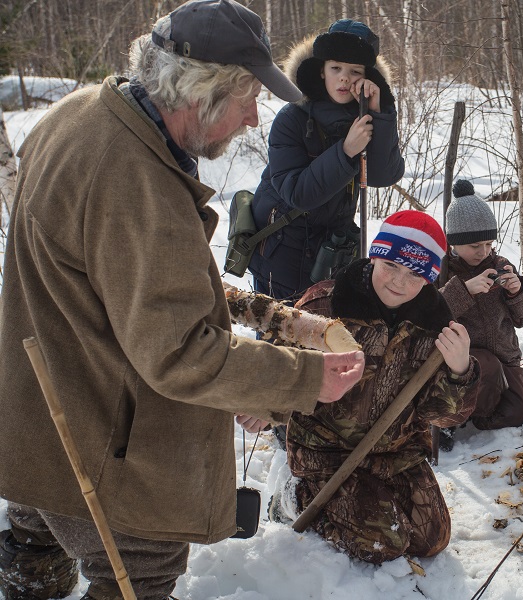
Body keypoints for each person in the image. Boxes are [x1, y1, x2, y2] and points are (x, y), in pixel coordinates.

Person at [0, 2, 366, 599]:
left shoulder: (82, 113)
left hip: (39, 424)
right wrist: (302, 380)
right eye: (248, 97)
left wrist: (269, 315)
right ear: (202, 93)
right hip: (107, 452)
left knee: (34, 556)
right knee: (136, 581)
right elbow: (178, 353)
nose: (253, 119)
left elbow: (124, 282)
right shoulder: (134, 178)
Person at [269, 210, 479, 564]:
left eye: (414, 274)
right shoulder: (327, 305)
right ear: (376, 254)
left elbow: (443, 417)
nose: (398, 281)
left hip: (396, 455)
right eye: (392, 265)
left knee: (432, 540)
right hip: (327, 454)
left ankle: (368, 494)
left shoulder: (434, 324)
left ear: (429, 279)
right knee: (384, 543)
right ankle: (295, 495)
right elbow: (278, 367)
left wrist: (460, 371)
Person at [248, 18, 404, 302]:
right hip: (282, 256)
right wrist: (345, 151)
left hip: (333, 256)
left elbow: (384, 175)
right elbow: (297, 193)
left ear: (368, 76)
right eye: (336, 68)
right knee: (280, 341)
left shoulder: (364, 118)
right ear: (321, 71)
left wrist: (378, 113)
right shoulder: (292, 118)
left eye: (355, 70)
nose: (344, 78)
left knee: (327, 339)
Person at [436, 179, 523, 451]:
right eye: (475, 246)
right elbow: (431, 317)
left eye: (489, 243)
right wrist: (464, 291)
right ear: (455, 243)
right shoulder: (443, 272)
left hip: (505, 356)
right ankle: (449, 418)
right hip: (464, 362)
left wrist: (518, 292)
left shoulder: (500, 265)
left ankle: (475, 417)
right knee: (486, 366)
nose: (484, 252)